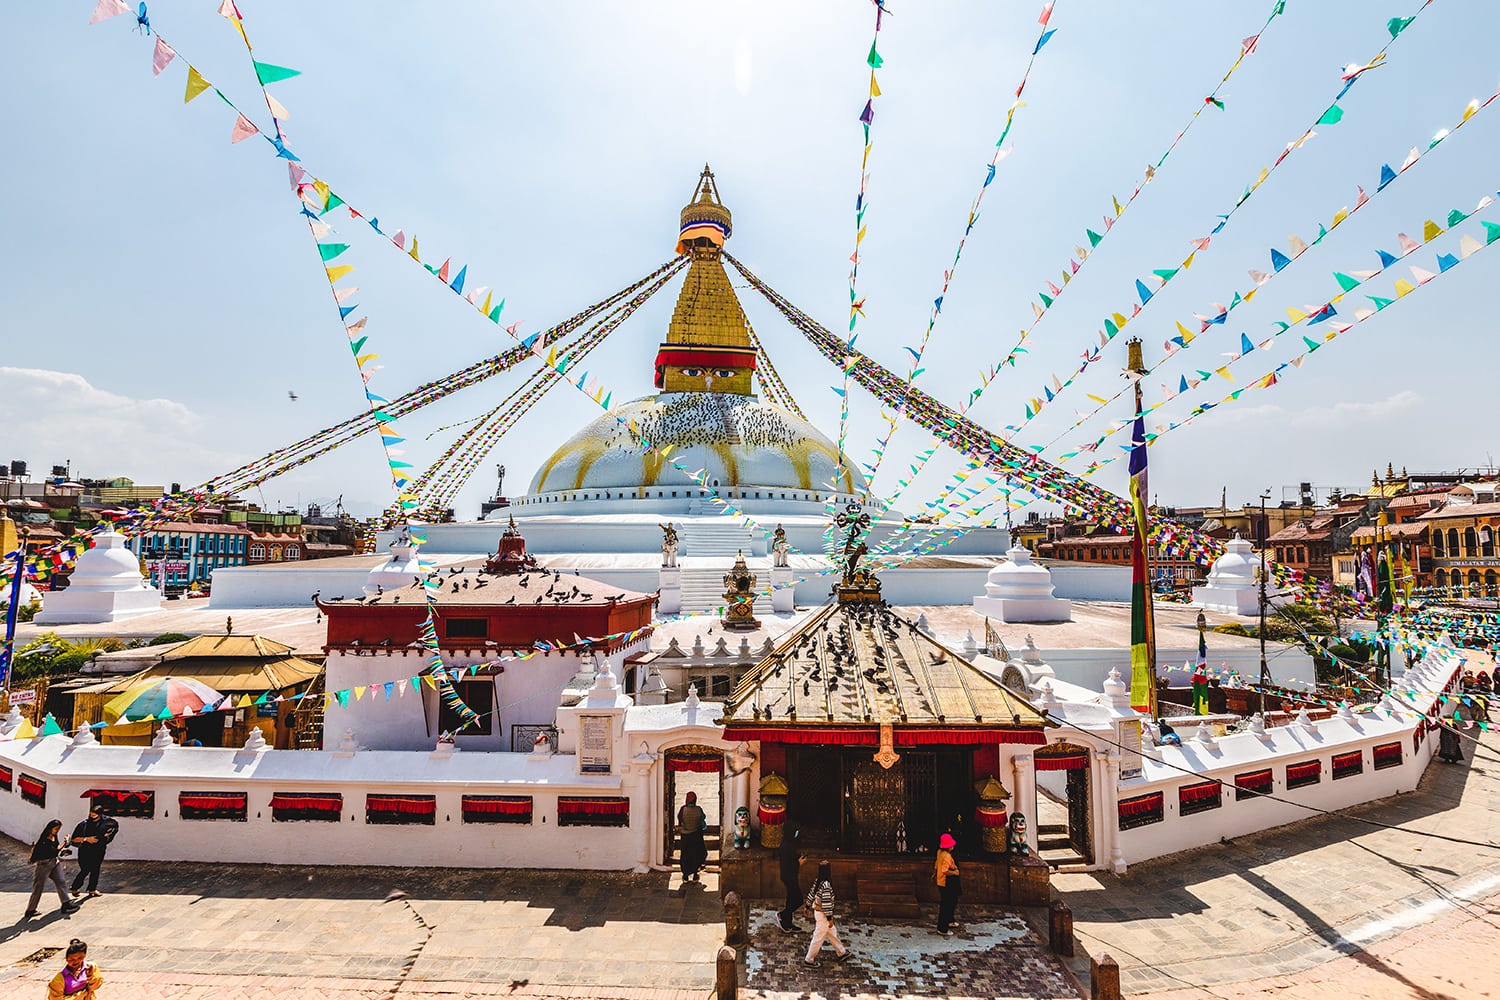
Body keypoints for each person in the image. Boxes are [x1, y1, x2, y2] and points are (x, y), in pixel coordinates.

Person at [26, 820, 80, 919]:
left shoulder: (54, 836)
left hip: (54, 862)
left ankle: (66, 903)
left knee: (61, 881)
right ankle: (30, 910)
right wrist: (66, 842)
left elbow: (56, 850)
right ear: (50, 828)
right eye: (56, 829)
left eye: (58, 829)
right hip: (44, 864)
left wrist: (63, 850)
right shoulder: (45, 840)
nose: (57, 830)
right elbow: (54, 850)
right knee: (38, 887)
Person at [802, 860, 851, 967]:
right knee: (818, 937)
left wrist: (807, 906)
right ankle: (809, 959)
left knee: (832, 932)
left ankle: (841, 952)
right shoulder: (827, 886)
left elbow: (811, 894)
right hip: (823, 915)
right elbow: (826, 903)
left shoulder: (818, 882)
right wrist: (829, 918)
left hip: (818, 912)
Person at [70, 803, 119, 898]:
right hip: (85, 850)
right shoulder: (83, 825)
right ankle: (75, 887)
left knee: (96, 869)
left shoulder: (107, 822)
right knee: (86, 869)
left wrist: (109, 834)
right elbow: (74, 839)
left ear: (100, 814)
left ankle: (92, 889)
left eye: (94, 815)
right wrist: (86, 839)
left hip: (99, 849)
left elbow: (114, 827)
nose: (92, 816)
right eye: (91, 814)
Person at [776, 822, 803, 932]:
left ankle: (788, 922)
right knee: (798, 900)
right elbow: (788, 863)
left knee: (791, 899)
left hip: (791, 875)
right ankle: (783, 915)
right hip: (789, 876)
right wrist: (798, 863)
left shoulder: (788, 843)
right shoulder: (786, 846)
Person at [676, 791, 707, 883]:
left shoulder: (683, 809)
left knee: (685, 855)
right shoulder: (698, 809)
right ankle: (695, 875)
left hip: (685, 836)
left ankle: (685, 875)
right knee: (696, 855)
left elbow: (679, 818)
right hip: (696, 835)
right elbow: (703, 818)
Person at [935, 832, 962, 935]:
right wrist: (954, 872)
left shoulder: (939, 852)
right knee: (947, 904)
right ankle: (942, 928)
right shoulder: (947, 856)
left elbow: (937, 864)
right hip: (947, 882)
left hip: (941, 881)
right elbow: (944, 870)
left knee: (949, 902)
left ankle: (949, 920)